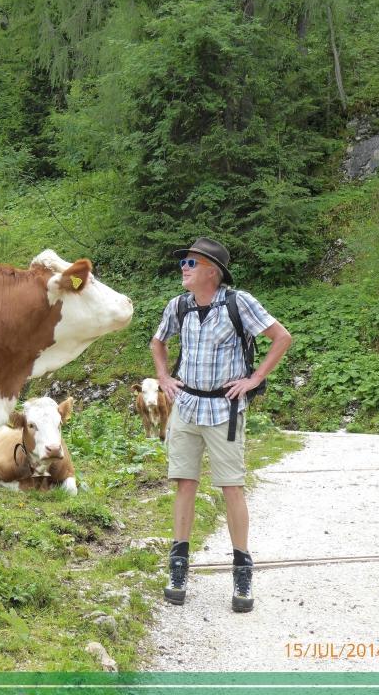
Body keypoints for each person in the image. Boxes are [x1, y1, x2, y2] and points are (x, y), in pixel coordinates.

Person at [150, 237, 292, 612]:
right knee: (184, 483)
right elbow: (157, 342)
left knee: (232, 487)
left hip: (224, 411)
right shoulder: (178, 305)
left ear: (212, 271)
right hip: (186, 406)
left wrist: (254, 378)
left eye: (192, 263)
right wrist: (164, 377)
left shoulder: (237, 302)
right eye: (184, 262)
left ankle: (242, 572)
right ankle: (178, 567)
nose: (184, 268)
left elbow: (282, 337)